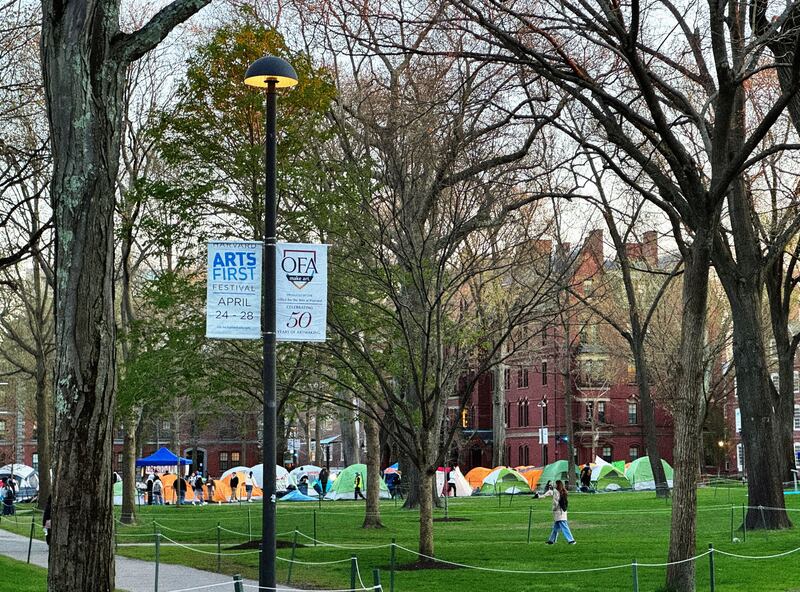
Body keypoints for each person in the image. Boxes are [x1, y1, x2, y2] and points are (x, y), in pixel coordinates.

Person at [544, 480, 575, 545]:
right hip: (562, 511)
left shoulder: (557, 492)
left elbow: (556, 502)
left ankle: (571, 540)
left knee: (564, 526)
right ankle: (551, 540)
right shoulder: (562, 491)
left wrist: (554, 509)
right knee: (555, 527)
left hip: (559, 512)